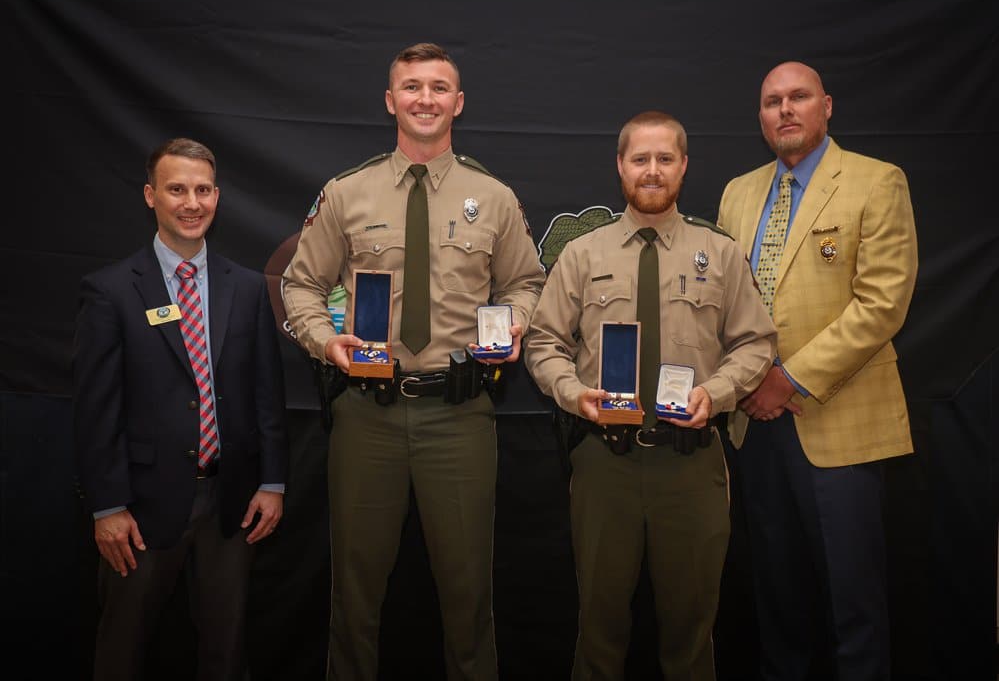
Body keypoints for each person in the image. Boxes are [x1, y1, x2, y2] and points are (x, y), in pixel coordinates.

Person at [281, 42, 544, 680]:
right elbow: (299, 287)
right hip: (366, 415)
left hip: (458, 417)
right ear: (390, 100)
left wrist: (512, 323)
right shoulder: (347, 194)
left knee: (468, 596)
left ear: (458, 102)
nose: (424, 98)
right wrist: (325, 341)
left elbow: (527, 285)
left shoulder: (495, 197)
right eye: (411, 87)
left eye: (437, 87)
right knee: (355, 597)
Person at [525, 111, 777, 680]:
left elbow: (756, 343)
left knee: (691, 635)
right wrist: (572, 394)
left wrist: (716, 393)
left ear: (685, 167)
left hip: (691, 466)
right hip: (604, 462)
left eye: (666, 159)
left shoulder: (720, 253)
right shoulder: (582, 255)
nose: (653, 171)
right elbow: (542, 342)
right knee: (599, 630)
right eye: (641, 159)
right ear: (620, 167)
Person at [717, 62, 918, 680]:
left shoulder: (876, 182)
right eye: (772, 100)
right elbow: (722, 304)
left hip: (840, 427)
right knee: (778, 604)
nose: (785, 109)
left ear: (826, 106)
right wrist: (739, 381)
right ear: (760, 116)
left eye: (798, 97)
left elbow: (882, 302)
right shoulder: (737, 193)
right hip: (755, 429)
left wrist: (788, 379)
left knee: (852, 607)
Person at [73, 138, 289, 681]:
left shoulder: (246, 288)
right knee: (122, 649)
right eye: (176, 189)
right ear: (151, 196)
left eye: (202, 190)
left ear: (217, 197)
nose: (191, 203)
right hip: (141, 510)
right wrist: (107, 507)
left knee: (226, 649)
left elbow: (268, 393)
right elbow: (96, 410)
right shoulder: (112, 291)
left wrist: (273, 483)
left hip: (231, 503)